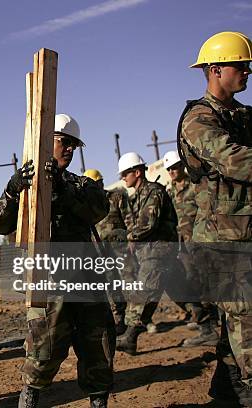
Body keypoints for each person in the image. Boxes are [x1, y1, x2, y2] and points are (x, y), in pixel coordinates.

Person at [0, 114, 115, 408]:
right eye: (65, 142)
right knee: (42, 354)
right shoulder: (25, 189)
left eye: (74, 145)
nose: (70, 149)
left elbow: (97, 209)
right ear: (46, 142)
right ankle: (29, 400)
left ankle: (98, 402)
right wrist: (12, 189)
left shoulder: (82, 185)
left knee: (98, 350)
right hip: (46, 285)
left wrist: (63, 188)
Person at [178, 31, 251, 405]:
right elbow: (232, 159)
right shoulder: (198, 120)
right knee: (247, 323)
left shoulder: (242, 115)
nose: (247, 72)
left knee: (237, 324)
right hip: (223, 242)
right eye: (241, 65)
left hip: (244, 235)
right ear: (215, 69)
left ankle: (227, 390)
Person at [115, 152, 179, 354]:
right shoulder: (140, 195)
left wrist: (128, 237)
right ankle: (206, 324)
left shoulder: (154, 192)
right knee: (176, 289)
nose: (123, 178)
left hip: (159, 250)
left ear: (137, 172)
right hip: (151, 251)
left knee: (143, 292)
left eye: (125, 173)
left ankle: (130, 337)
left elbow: (146, 225)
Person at [162, 151, 218, 347]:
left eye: (175, 167)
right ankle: (207, 323)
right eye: (169, 169)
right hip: (182, 245)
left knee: (204, 282)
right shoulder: (170, 191)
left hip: (198, 243)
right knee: (191, 282)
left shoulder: (193, 187)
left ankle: (211, 327)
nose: (172, 171)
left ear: (182, 167)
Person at [84, 169, 128, 335]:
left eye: (96, 184)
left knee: (129, 281)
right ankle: (119, 319)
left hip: (121, 249)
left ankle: (137, 319)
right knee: (111, 284)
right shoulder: (87, 205)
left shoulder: (116, 197)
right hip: (100, 253)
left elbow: (128, 218)